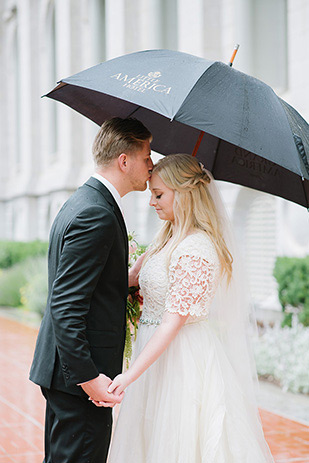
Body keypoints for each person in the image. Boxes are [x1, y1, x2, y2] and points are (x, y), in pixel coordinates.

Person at [105, 154, 275, 462]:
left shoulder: (197, 248)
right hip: (154, 355)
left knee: (177, 441)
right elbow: (133, 281)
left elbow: (172, 322)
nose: (151, 202)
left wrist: (128, 377)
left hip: (181, 359)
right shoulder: (164, 239)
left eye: (158, 194)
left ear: (184, 194)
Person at [29, 117, 153, 463]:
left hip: (65, 373)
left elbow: (82, 288)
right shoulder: (96, 213)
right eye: (146, 157)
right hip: (79, 378)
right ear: (124, 161)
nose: (151, 165)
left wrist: (125, 280)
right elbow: (66, 305)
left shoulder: (84, 201)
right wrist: (89, 380)